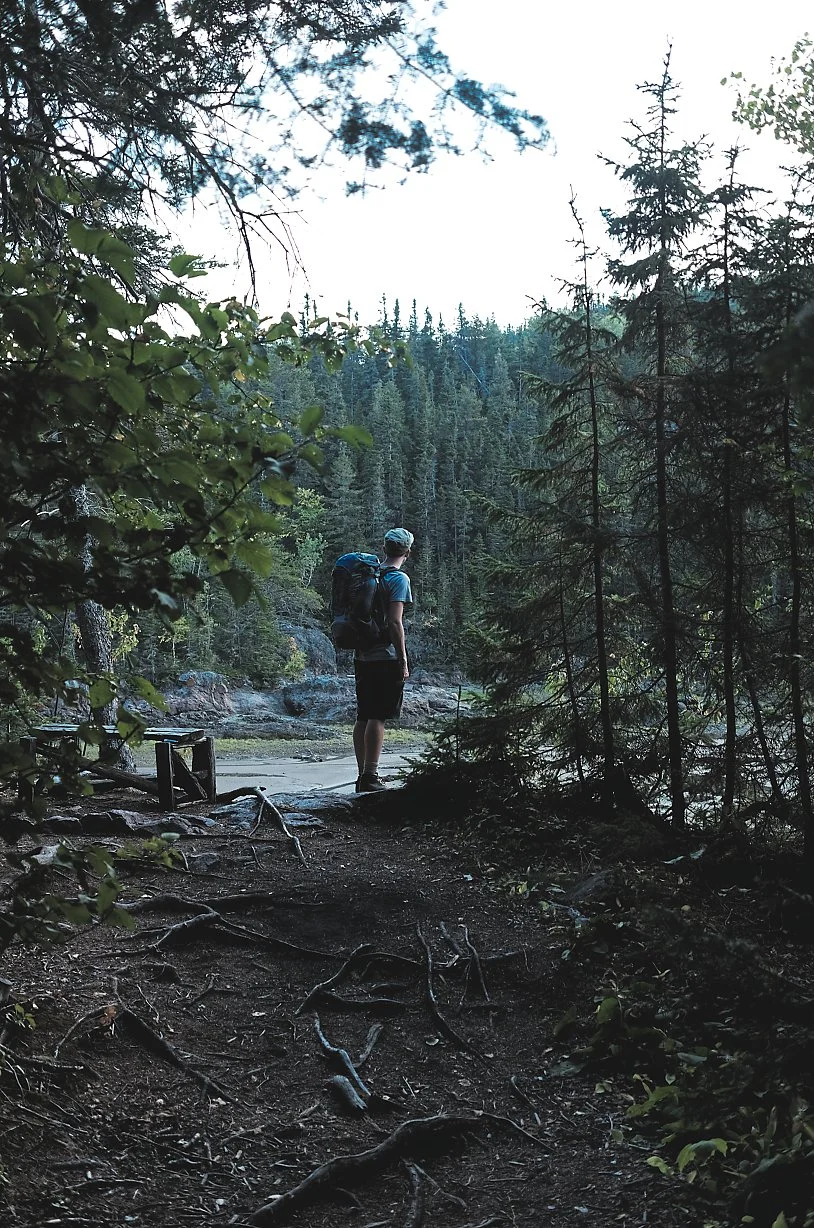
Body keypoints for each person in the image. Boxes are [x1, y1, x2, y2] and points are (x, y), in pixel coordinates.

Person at [353, 527, 414, 792]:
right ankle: (370, 776)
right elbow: (394, 622)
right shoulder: (398, 579)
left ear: (385, 548)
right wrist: (403, 659)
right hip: (385, 656)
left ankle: (362, 774)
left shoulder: (370, 574)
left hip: (362, 654)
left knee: (364, 715)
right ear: (407, 552)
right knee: (378, 716)